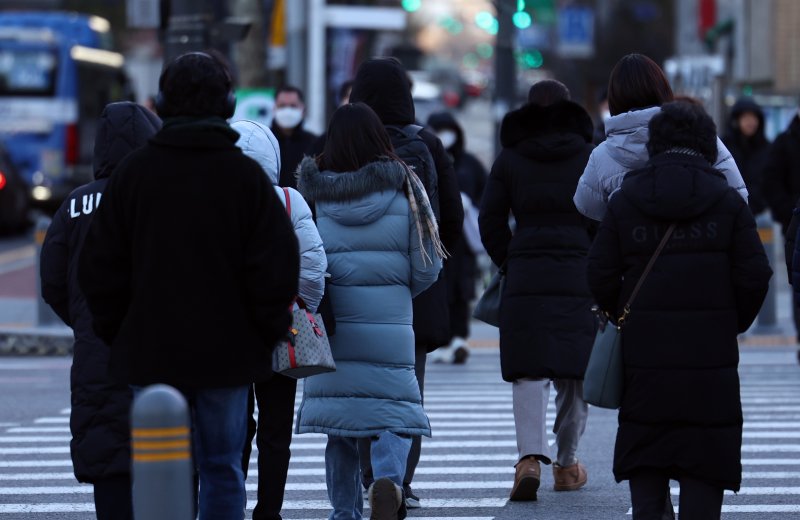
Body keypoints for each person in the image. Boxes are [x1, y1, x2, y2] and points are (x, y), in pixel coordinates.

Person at [77, 51, 300, 519]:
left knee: (158, 467)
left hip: (150, 351)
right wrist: (262, 336)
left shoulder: (134, 175)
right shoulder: (246, 179)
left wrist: (120, 333)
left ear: (162, 103)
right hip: (229, 355)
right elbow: (279, 268)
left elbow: (98, 268)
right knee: (222, 467)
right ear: (228, 104)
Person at [587, 101, 771, 519]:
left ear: (655, 144)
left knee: (647, 459)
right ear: (706, 145)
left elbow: (598, 272)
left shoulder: (626, 200)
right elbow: (755, 275)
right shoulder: (726, 202)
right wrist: (729, 321)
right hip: (710, 363)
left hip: (644, 359)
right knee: (705, 461)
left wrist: (623, 315)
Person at [294, 102, 444, 520]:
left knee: (339, 428)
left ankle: (344, 511)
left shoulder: (312, 194)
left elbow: (305, 261)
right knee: (395, 410)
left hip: (333, 327)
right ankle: (389, 480)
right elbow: (428, 265)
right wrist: (398, 290)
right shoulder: (405, 186)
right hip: (390, 321)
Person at [349, 56, 464, 509]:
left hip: (353, 288)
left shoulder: (345, 140)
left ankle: (368, 476)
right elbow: (451, 216)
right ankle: (399, 481)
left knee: (361, 386)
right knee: (407, 387)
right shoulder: (427, 144)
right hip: (415, 290)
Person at [39, 101, 161, 520]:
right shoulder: (160, 196)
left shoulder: (74, 206)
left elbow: (52, 281)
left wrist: (84, 321)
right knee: (169, 456)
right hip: (158, 347)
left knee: (110, 459)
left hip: (97, 352)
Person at [478, 79, 596, 501]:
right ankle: (567, 464)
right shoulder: (588, 155)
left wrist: (510, 258)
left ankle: (529, 459)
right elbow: (603, 215)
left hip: (526, 270)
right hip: (578, 271)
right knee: (574, 371)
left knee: (528, 369)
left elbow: (490, 219)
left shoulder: (510, 157)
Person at [232, 119, 327, 520]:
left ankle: (230, 501)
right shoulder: (290, 200)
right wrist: (301, 305)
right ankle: (269, 510)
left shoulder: (217, 199)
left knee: (233, 423)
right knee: (276, 428)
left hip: (230, 331)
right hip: (281, 326)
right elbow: (314, 267)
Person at [573, 53, 748, 222]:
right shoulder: (699, 135)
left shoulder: (601, 156)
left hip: (635, 240)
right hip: (698, 239)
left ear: (614, 97)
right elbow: (737, 195)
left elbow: (586, 206)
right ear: (662, 88)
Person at [426, 110, 487, 364]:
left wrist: (472, 207)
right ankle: (444, 339)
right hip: (435, 236)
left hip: (464, 241)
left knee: (461, 290)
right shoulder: (426, 158)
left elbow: (486, 193)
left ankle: (459, 338)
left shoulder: (470, 163)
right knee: (439, 289)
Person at [722, 97, 769, 215]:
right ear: (736, 120)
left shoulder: (766, 148)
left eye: (754, 117)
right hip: (730, 211)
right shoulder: (724, 147)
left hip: (761, 213)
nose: (751, 122)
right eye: (746, 117)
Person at [272, 85, 318, 188]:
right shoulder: (264, 140)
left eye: (293, 106)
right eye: (282, 106)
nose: (287, 110)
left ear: (303, 109)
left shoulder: (314, 143)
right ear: (274, 108)